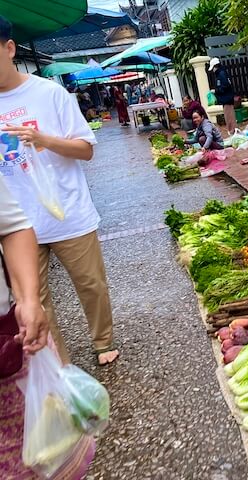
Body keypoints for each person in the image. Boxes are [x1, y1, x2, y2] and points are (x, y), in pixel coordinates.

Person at [0, 15, 119, 366]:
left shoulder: (49, 93)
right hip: (17, 225)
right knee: (33, 300)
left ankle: (103, 341)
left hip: (68, 212)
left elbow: (85, 149)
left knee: (91, 285)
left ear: (9, 49)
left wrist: (42, 140)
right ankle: (59, 364)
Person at [0, 178, 96, 479]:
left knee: (38, 456)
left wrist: (28, 299)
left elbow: (12, 227)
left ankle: (102, 343)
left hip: (7, 345)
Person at [208, 57, 237, 134]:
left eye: (213, 68)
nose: (213, 70)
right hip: (226, 99)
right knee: (229, 117)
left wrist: (216, 91)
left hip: (227, 99)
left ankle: (233, 132)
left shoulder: (221, 74)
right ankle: (232, 132)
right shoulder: (222, 73)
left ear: (215, 66)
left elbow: (225, 86)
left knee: (229, 117)